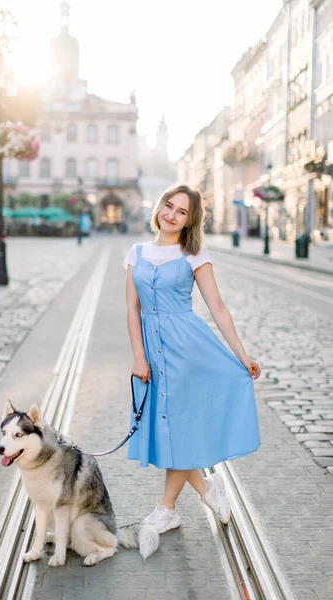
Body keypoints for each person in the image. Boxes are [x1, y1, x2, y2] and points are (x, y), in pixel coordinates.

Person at [123, 184, 261, 533]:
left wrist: (241, 354)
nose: (171, 214)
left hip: (188, 351)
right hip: (153, 354)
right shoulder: (136, 253)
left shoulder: (194, 254)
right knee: (170, 426)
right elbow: (132, 308)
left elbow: (217, 306)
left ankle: (167, 508)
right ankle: (205, 487)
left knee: (177, 427)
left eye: (181, 211)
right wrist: (139, 356)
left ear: (189, 220)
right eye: (168, 206)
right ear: (159, 207)